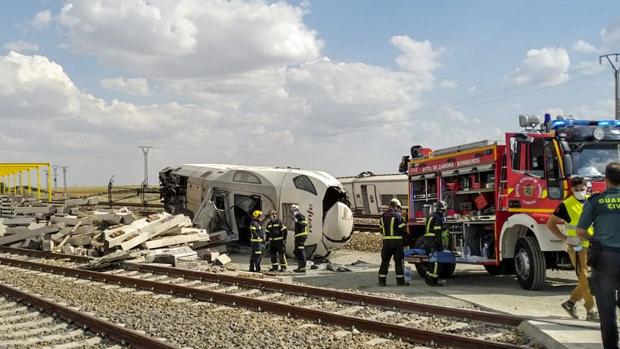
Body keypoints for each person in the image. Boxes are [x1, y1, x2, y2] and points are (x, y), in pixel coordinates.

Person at [577, 162, 620, 349]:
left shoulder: (596, 201)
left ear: (605, 180)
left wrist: (594, 239)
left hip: (605, 258)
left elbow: (580, 230)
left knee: (606, 308)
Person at [546, 176, 598, 321]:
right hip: (577, 247)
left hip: (593, 245)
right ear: (571, 190)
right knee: (585, 278)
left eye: (583, 189)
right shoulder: (566, 205)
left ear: (587, 187)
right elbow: (550, 224)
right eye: (577, 190)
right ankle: (591, 310)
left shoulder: (592, 201)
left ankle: (570, 303)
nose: (581, 192)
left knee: (591, 279)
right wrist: (565, 238)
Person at [417, 200, 449, 286]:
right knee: (435, 262)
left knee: (431, 261)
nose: (444, 212)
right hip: (433, 241)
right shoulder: (438, 217)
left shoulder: (431, 216)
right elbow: (437, 231)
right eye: (444, 211)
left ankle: (428, 279)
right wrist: (440, 244)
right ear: (442, 209)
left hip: (426, 240)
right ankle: (432, 281)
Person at [378, 198, 409, 287]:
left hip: (386, 242)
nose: (398, 209)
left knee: (385, 261)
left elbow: (381, 230)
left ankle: (382, 281)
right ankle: (400, 281)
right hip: (397, 242)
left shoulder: (383, 216)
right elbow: (403, 229)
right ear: (395, 206)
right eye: (398, 207)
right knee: (398, 262)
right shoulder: (398, 216)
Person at [291, 204, 308, 273]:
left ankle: (303, 268)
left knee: (301, 251)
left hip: (301, 237)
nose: (292, 211)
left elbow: (304, 224)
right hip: (298, 237)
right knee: (297, 251)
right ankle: (300, 267)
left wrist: (297, 221)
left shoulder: (300, 216)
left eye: (293, 210)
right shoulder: (297, 216)